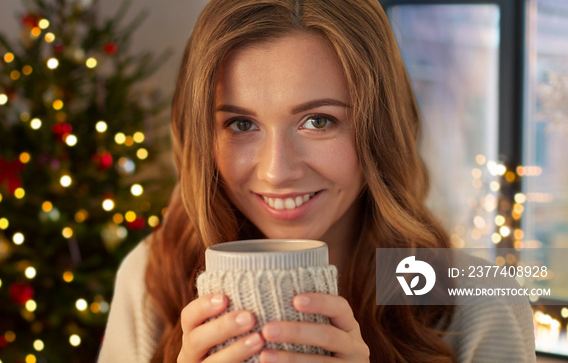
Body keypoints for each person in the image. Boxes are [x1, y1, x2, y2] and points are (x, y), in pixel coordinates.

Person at [98, 0, 536, 362]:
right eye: (240, 124)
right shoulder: (153, 277)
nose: (276, 171)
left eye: (318, 120)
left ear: (379, 128)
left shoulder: (479, 303)